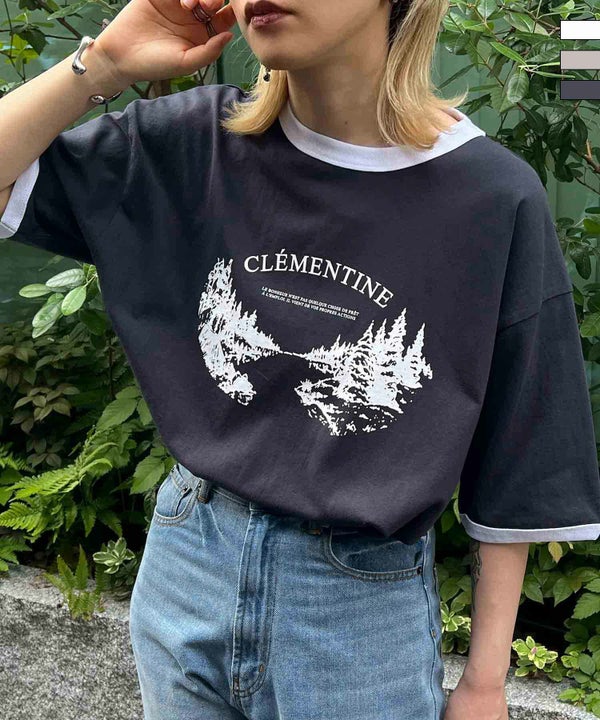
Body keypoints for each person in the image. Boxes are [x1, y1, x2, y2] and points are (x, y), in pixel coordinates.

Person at [1, 0, 600, 717]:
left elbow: (523, 453)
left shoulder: (490, 198)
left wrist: (485, 680)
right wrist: (103, 64)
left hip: (354, 613)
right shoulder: (196, 143)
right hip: (188, 557)